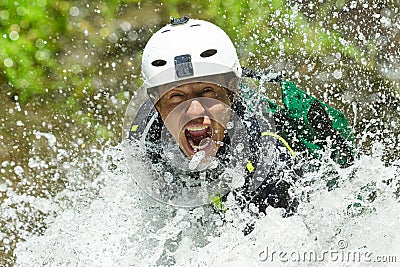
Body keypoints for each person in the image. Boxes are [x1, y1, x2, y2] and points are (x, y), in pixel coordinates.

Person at [126, 16, 354, 219]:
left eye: (207, 92)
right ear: (156, 102)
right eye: (176, 97)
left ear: (231, 92)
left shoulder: (265, 154)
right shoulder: (146, 142)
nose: (194, 111)